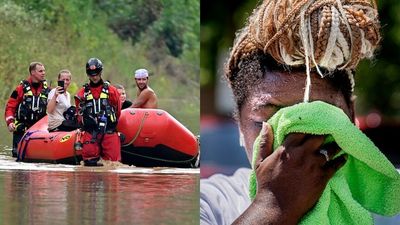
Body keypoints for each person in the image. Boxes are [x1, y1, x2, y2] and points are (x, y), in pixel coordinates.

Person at [200, 0, 399, 224]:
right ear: (240, 126)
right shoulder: (210, 203)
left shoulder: (392, 207)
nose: (294, 146)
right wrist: (274, 203)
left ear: (350, 117)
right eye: (267, 122)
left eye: (318, 119)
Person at [75, 58, 122, 166]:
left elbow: (118, 112)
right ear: (88, 74)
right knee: (89, 163)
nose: (94, 76)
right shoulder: (82, 93)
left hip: (109, 131)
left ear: (101, 72)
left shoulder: (112, 91)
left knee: (113, 165)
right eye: (91, 74)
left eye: (96, 73)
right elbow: (79, 114)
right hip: (91, 133)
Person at [4, 62, 49, 157]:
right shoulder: (20, 89)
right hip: (22, 129)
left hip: (40, 131)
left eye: (44, 71)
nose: (43, 73)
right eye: (40, 71)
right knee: (18, 155)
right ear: (32, 72)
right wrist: (10, 122)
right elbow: (10, 107)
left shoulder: (47, 90)